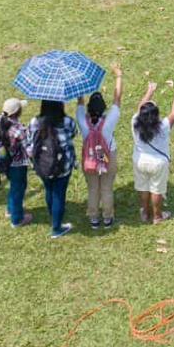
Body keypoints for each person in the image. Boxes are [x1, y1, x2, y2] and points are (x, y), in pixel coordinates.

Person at [75, 66, 123, 230]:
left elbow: (80, 103)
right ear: (104, 108)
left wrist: (80, 88)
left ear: (88, 108)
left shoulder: (82, 121)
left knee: (93, 189)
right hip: (108, 158)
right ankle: (108, 218)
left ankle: (94, 218)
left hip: (89, 159)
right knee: (107, 189)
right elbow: (117, 100)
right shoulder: (109, 122)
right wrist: (118, 77)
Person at [131, 81, 174, 224]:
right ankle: (157, 216)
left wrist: (150, 91)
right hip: (158, 163)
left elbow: (140, 108)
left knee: (143, 187)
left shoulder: (134, 122)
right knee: (156, 189)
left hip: (139, 160)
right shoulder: (163, 127)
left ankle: (144, 212)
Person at [27, 99, 76, 237]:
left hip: (42, 165)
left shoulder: (34, 122)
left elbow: (30, 138)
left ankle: (52, 212)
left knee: (49, 189)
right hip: (63, 165)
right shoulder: (67, 121)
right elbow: (73, 133)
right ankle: (56, 228)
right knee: (59, 194)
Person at [0, 98, 32, 228]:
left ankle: (10, 210)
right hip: (18, 164)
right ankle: (17, 219)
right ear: (18, 112)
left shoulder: (0, 120)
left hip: (5, 162)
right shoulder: (18, 130)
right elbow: (29, 150)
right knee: (18, 189)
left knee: (13, 187)